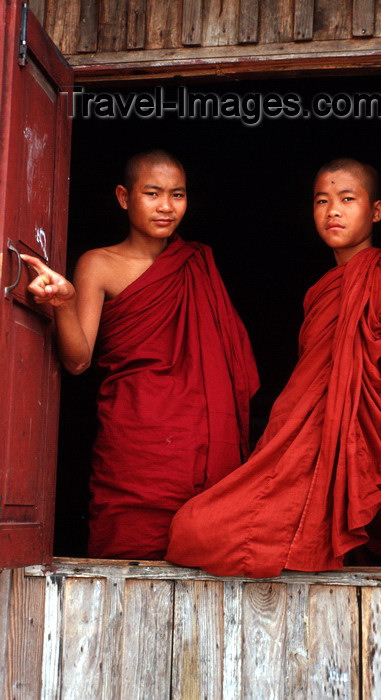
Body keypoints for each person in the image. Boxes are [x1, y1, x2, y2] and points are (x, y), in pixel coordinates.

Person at [166, 157, 381, 577]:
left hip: (366, 448)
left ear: (376, 211)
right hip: (305, 444)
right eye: (322, 201)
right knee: (197, 529)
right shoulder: (321, 291)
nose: (332, 210)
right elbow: (314, 381)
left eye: (347, 199)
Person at [22, 150, 259, 560]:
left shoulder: (198, 262)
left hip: (200, 441)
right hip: (136, 438)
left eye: (177, 195)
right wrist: (64, 303)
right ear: (123, 196)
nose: (166, 206)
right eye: (152, 193)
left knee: (207, 542)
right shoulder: (99, 264)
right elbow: (78, 361)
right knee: (129, 549)